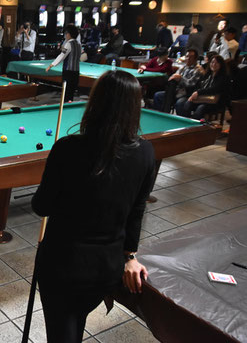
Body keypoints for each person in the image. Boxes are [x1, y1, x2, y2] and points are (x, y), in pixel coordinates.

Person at [31, 70, 154, 343]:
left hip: (63, 266)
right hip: (106, 270)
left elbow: (41, 206)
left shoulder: (66, 148)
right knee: (75, 322)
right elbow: (136, 212)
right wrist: (130, 256)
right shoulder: (146, 152)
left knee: (64, 330)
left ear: (95, 103)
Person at [176, 54, 228, 119]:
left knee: (201, 108)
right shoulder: (207, 74)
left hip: (215, 102)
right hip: (203, 98)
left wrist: (198, 92)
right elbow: (198, 85)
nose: (214, 64)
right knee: (184, 103)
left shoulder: (223, 77)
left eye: (217, 63)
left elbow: (214, 89)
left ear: (221, 65)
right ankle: (186, 121)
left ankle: (194, 124)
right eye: (212, 62)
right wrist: (195, 92)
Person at [152, 49, 204, 113]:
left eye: (191, 57)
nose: (188, 58)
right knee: (158, 95)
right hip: (176, 92)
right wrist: (172, 77)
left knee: (179, 103)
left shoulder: (198, 70)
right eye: (187, 56)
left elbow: (191, 84)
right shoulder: (183, 67)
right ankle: (160, 115)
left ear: (195, 59)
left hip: (188, 94)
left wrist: (180, 79)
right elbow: (174, 77)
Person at [46, 24, 81, 102]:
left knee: (66, 93)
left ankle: (65, 106)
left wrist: (51, 65)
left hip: (68, 71)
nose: (65, 35)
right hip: (76, 72)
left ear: (69, 34)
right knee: (71, 93)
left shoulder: (69, 44)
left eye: (66, 33)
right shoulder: (79, 44)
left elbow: (62, 55)